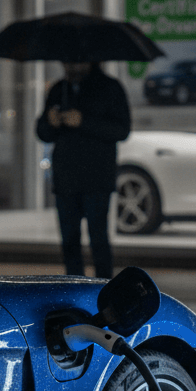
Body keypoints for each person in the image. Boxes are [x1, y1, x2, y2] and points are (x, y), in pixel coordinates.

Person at [36, 61, 131, 279]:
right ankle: (74, 285)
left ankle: (103, 286)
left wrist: (83, 121)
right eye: (67, 62)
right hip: (65, 178)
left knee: (98, 239)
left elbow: (121, 130)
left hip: (96, 178)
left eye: (77, 61)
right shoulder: (60, 89)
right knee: (69, 241)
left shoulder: (109, 88)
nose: (71, 67)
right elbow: (42, 132)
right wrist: (50, 122)